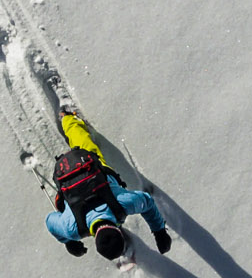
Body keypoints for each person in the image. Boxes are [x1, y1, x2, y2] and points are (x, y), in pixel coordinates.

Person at [45, 109, 170, 259]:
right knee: (84, 145)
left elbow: (147, 202)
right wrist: (68, 238)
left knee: (85, 147)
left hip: (88, 172)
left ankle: (68, 118)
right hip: (72, 173)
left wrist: (159, 232)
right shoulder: (73, 229)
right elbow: (50, 221)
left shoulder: (124, 204)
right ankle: (68, 118)